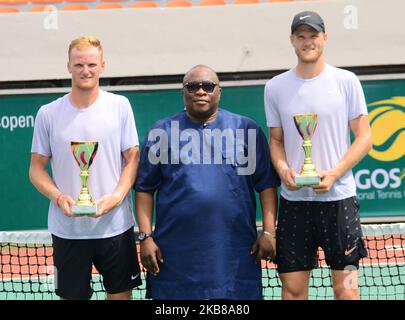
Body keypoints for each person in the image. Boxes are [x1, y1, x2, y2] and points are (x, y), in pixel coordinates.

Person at [135, 65, 279, 300]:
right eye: (193, 86)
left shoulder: (247, 130)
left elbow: (266, 186)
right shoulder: (160, 132)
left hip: (234, 253)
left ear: (219, 92)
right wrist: (145, 237)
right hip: (174, 255)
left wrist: (270, 232)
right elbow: (144, 189)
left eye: (208, 86)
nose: (200, 91)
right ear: (183, 93)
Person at [264, 11, 372, 300]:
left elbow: (365, 137)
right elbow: (276, 141)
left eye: (313, 35)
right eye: (301, 35)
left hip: (340, 204)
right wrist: (284, 169)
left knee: (347, 290)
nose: (307, 41)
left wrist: (334, 174)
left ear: (325, 38)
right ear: (292, 41)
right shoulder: (275, 87)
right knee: (293, 290)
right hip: (294, 206)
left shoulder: (346, 81)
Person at [29, 36, 141, 300]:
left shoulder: (120, 106)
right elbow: (36, 169)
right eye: (79, 64)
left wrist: (115, 198)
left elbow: (132, 159)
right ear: (68, 66)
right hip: (67, 231)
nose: (86, 70)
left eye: (91, 64)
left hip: (116, 227)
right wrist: (58, 197)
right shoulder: (48, 113)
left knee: (121, 296)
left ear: (102, 65)